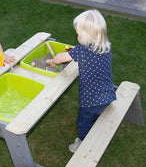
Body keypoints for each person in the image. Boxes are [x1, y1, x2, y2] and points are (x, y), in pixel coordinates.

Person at [46, 9, 116, 153]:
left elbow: (60, 58)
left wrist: (53, 62)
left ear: (86, 36)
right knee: (98, 115)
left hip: (90, 99)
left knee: (83, 121)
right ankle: (97, 131)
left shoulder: (82, 51)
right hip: (108, 93)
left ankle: (84, 142)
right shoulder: (105, 46)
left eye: (78, 34)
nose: (77, 36)